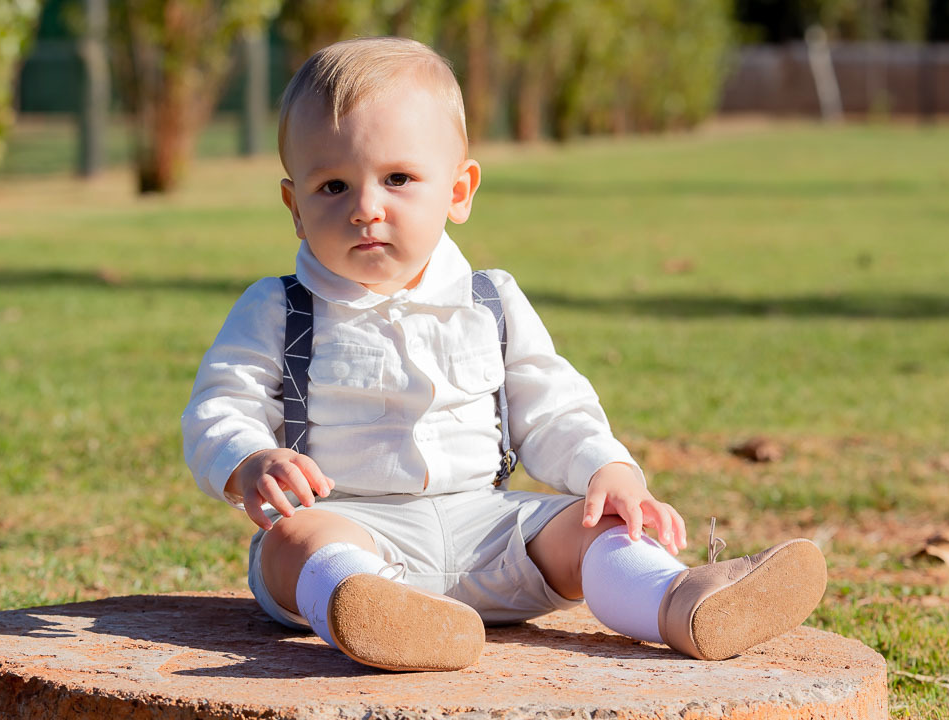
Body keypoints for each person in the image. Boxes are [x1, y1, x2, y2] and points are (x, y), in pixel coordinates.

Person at [182, 36, 827, 672]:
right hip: (352, 523)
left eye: (398, 178)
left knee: (594, 529)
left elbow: (552, 406)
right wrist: (250, 459)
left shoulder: (490, 301)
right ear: (295, 208)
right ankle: (375, 612)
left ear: (459, 192)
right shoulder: (278, 309)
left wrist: (608, 467)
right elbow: (219, 406)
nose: (366, 209)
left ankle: (682, 601)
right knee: (293, 544)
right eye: (332, 188)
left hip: (490, 527)